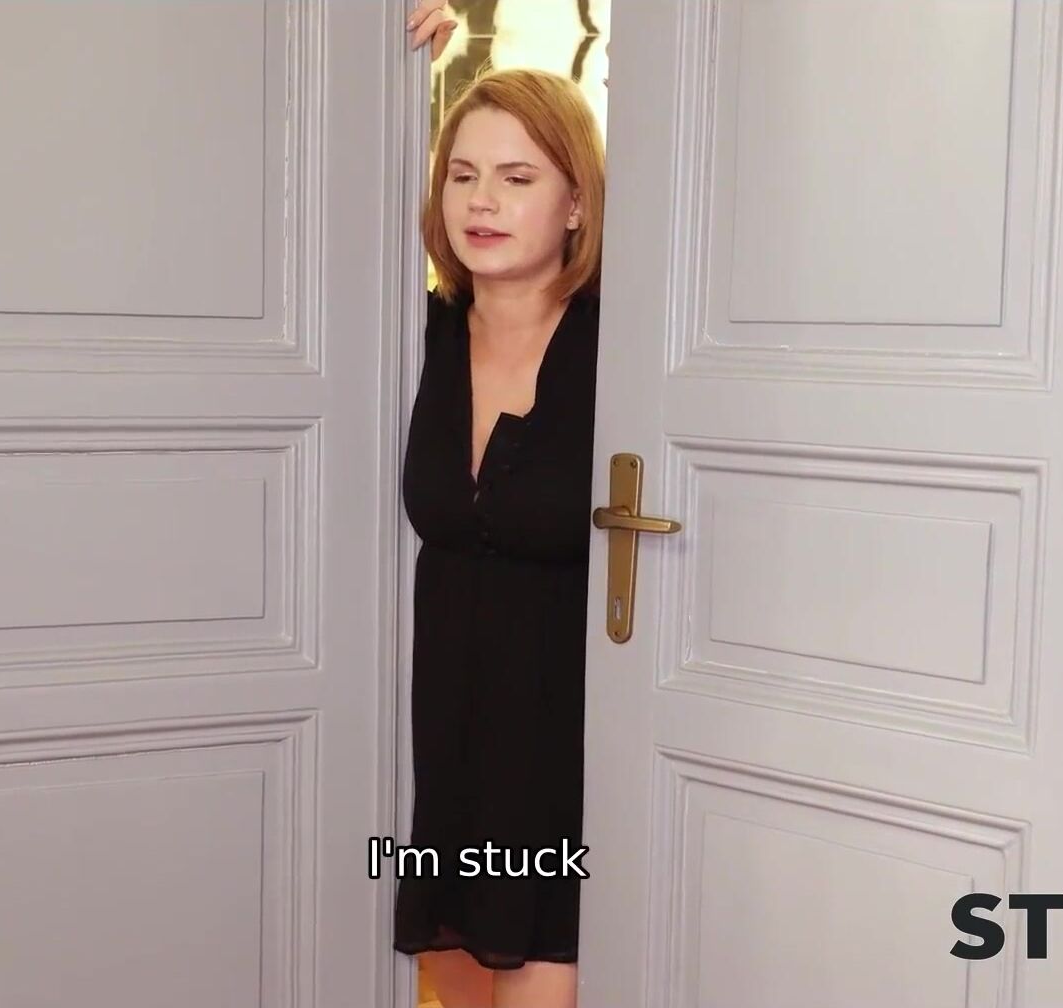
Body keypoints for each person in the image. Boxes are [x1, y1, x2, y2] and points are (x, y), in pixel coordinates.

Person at [396, 4, 605, 1007]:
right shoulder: (419, 334)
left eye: (518, 178)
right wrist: (390, 57)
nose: (481, 200)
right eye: (463, 174)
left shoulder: (623, 344)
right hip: (446, 752)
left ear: (576, 203)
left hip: (570, 762)